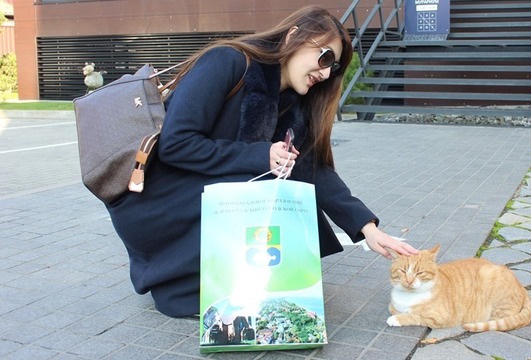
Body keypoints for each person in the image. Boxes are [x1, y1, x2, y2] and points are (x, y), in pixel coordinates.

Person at [107, 5, 419, 318]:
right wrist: (262, 155)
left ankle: (216, 279)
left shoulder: (294, 105)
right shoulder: (228, 61)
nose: (325, 73)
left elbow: (313, 168)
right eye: (324, 57)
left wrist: (369, 230)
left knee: (286, 183)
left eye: (333, 68)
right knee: (267, 180)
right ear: (293, 37)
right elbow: (176, 144)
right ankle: (177, 284)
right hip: (156, 200)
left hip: (203, 195)